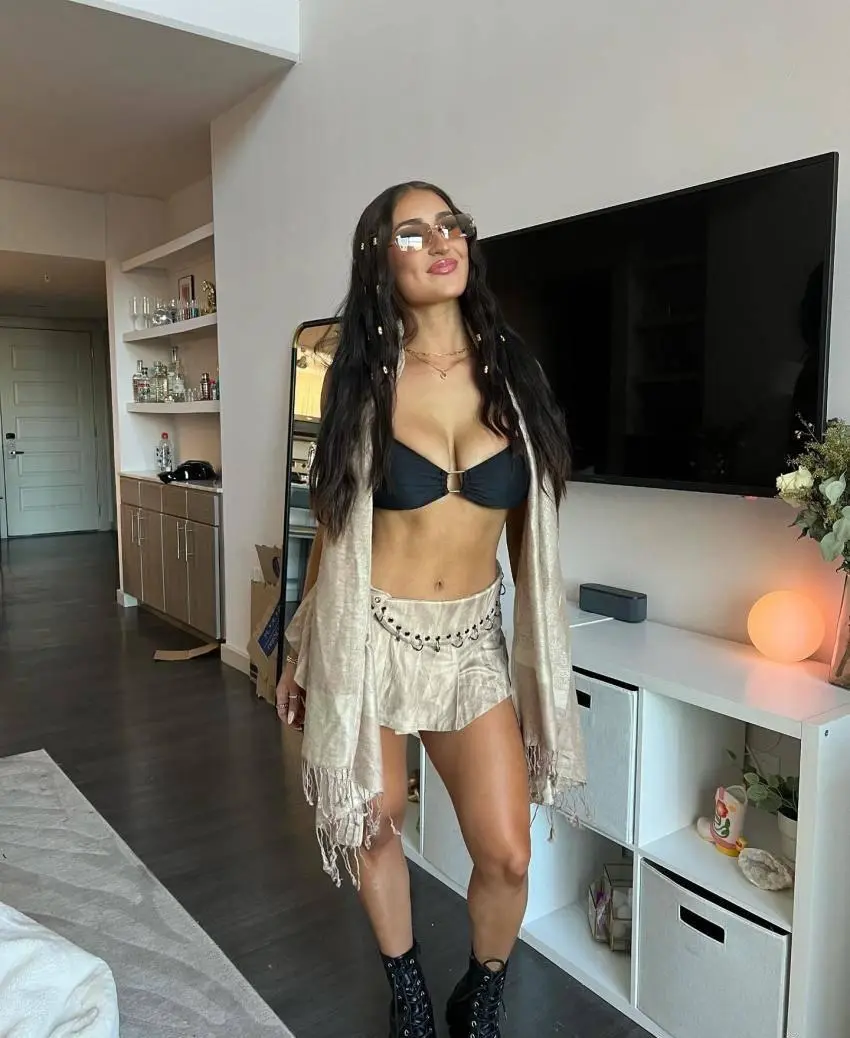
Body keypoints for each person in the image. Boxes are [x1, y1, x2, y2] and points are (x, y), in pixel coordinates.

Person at [276, 182, 585, 1038]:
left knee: (507, 853)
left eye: (450, 226)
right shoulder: (364, 386)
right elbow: (335, 530)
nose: (440, 241)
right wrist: (300, 650)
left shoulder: (514, 380)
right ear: (380, 262)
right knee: (375, 823)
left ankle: (479, 998)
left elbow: (531, 532)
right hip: (371, 637)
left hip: (471, 646)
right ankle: (408, 995)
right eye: (412, 233)